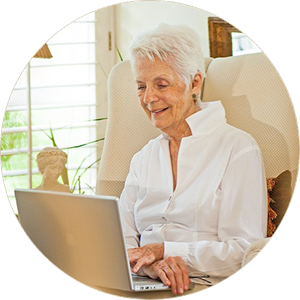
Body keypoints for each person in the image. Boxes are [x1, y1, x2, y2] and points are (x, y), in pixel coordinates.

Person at [119, 23, 267, 295]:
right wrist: (150, 266)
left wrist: (163, 250)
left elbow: (244, 250)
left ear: (195, 82)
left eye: (161, 84)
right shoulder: (143, 158)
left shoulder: (237, 148)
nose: (149, 98)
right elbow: (122, 239)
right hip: (145, 282)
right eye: (141, 86)